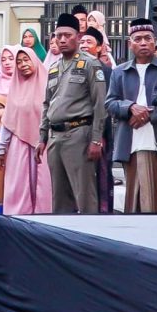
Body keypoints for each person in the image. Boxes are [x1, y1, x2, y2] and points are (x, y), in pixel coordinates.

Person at [106, 18, 157, 213]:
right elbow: (110, 103)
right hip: (131, 141)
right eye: (138, 39)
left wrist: (148, 113)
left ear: (154, 41)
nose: (143, 43)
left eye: (147, 38)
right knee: (136, 199)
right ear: (130, 44)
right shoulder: (119, 72)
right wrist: (130, 107)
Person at [41, 14, 107, 215]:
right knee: (59, 197)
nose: (62, 40)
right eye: (58, 36)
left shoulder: (90, 64)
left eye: (67, 35)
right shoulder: (54, 67)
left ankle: (89, 232)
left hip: (78, 134)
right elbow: (47, 104)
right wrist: (42, 137)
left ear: (78, 37)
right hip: (55, 137)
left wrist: (96, 139)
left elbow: (100, 104)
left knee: (84, 194)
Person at [0, 42, 52, 215]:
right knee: (18, 186)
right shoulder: (15, 88)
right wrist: (0, 149)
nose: (23, 64)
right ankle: (18, 221)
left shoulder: (48, 86)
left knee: (45, 186)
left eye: (26, 60)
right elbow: (8, 121)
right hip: (19, 146)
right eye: (19, 62)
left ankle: (44, 219)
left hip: (45, 144)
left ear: (34, 60)